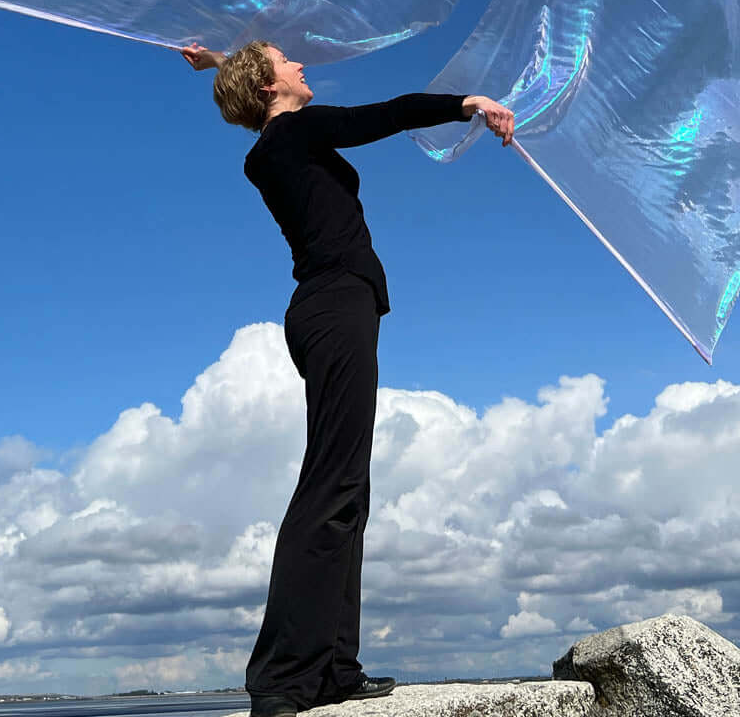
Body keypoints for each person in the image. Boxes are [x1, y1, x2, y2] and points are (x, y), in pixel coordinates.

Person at [182, 40, 514, 717]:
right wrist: (467, 103)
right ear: (270, 86)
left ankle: (333, 667)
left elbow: (259, 93)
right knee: (332, 486)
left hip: (334, 307)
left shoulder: (279, 142)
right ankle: (281, 678)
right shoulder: (295, 132)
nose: (301, 64)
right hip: (334, 306)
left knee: (348, 491)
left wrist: (222, 62)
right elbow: (383, 115)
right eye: (286, 60)